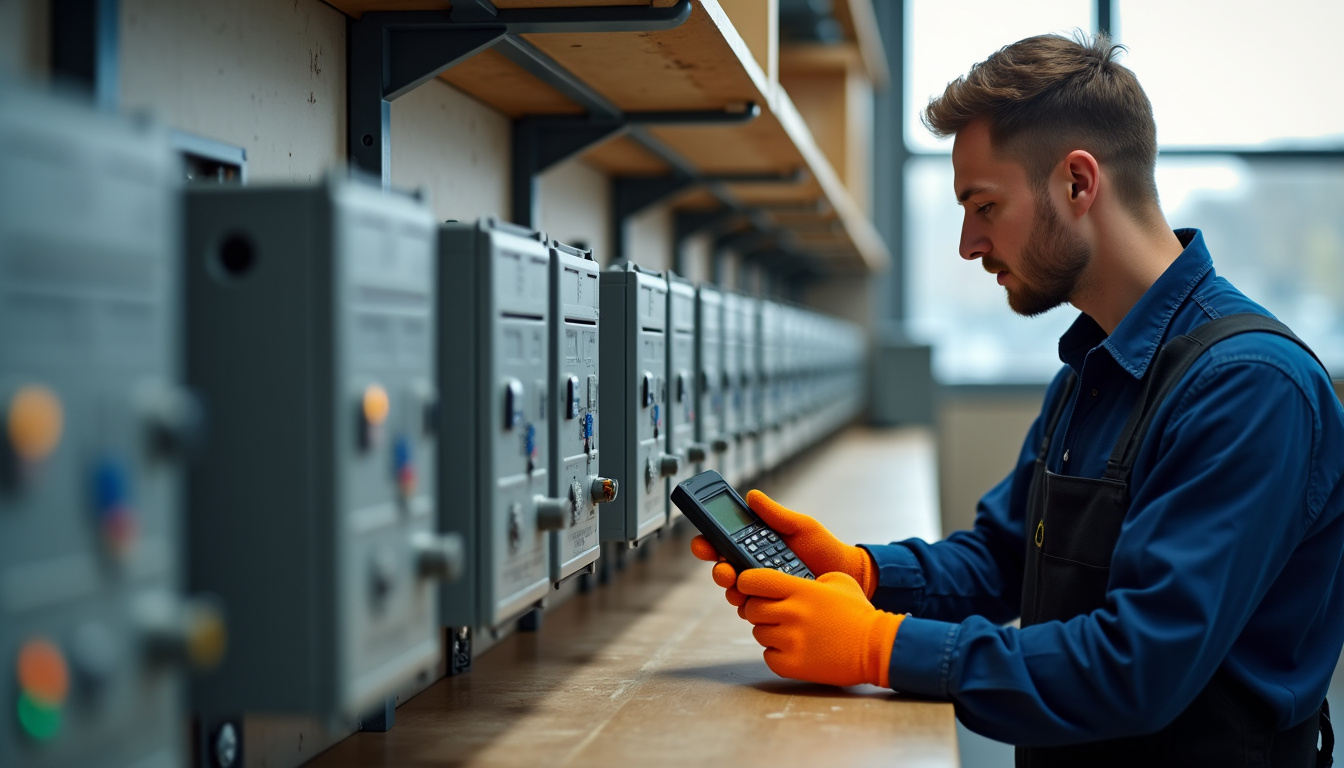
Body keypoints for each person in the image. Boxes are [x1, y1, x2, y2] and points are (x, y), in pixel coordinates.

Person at [692, 32, 1344, 766]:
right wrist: (864, 574)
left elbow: (1138, 666)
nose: (968, 244)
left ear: (1078, 184)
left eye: (985, 205)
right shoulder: (1093, 367)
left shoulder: (1250, 387)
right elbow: (1006, 558)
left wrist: (880, 646)